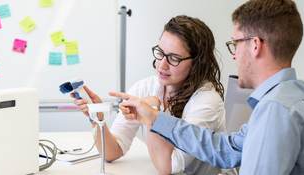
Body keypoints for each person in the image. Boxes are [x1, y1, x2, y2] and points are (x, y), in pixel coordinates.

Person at [110, 0, 304, 174]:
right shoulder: (300, 99)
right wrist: (155, 118)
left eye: (235, 43)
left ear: (255, 45)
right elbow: (225, 149)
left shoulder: (276, 111)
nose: (234, 54)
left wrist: (153, 118)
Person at [73, 15, 227, 174]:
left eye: (174, 58)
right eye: (160, 52)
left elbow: (169, 167)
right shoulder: (146, 87)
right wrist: (98, 119)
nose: (162, 65)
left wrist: (151, 115)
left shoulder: (207, 101)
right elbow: (113, 151)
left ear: (196, 63)